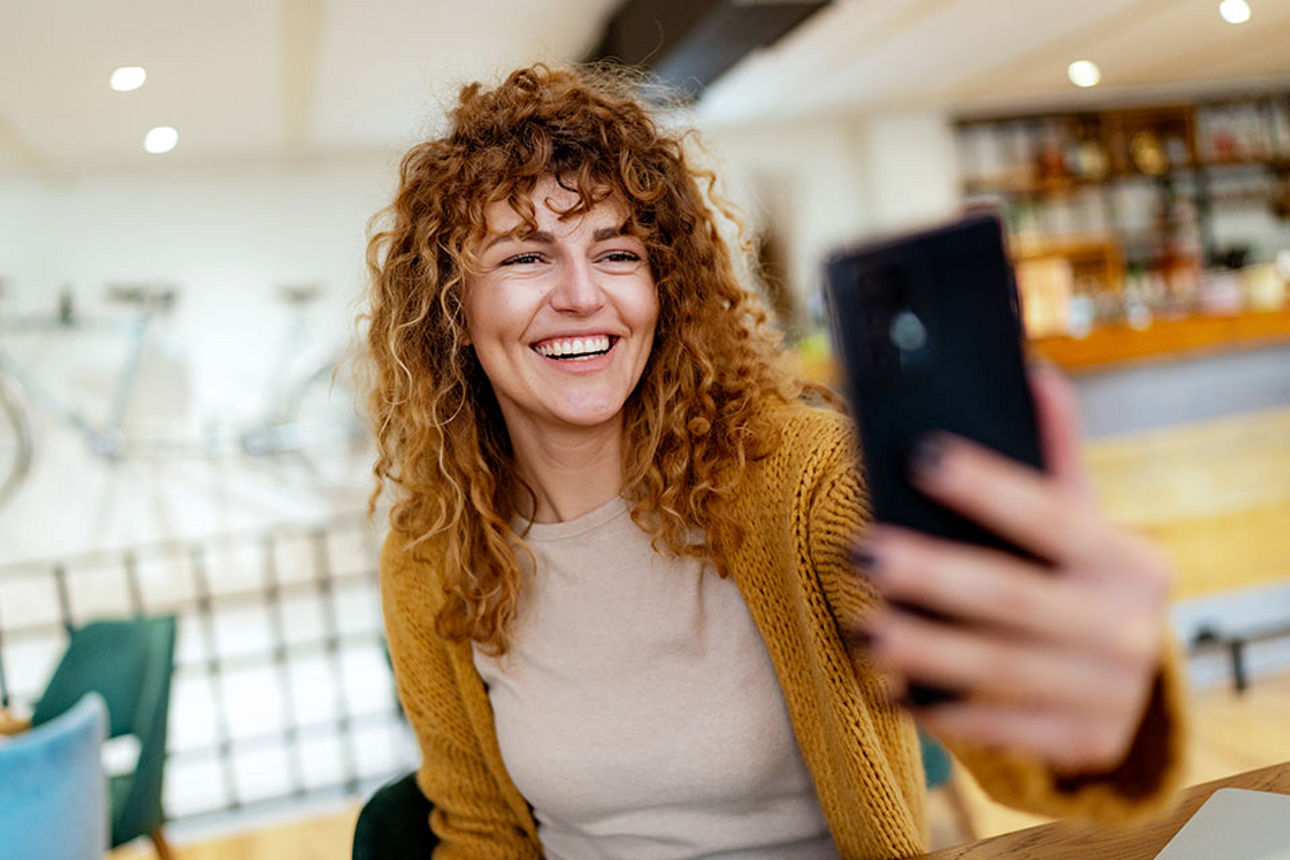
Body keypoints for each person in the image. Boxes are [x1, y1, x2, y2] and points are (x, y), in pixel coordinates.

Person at [364, 64, 1186, 859]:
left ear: (665, 289)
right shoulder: (432, 555)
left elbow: (1032, 752)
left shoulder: (804, 481)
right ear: (454, 311)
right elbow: (480, 834)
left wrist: (1102, 701)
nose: (584, 295)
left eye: (618, 253)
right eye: (525, 255)